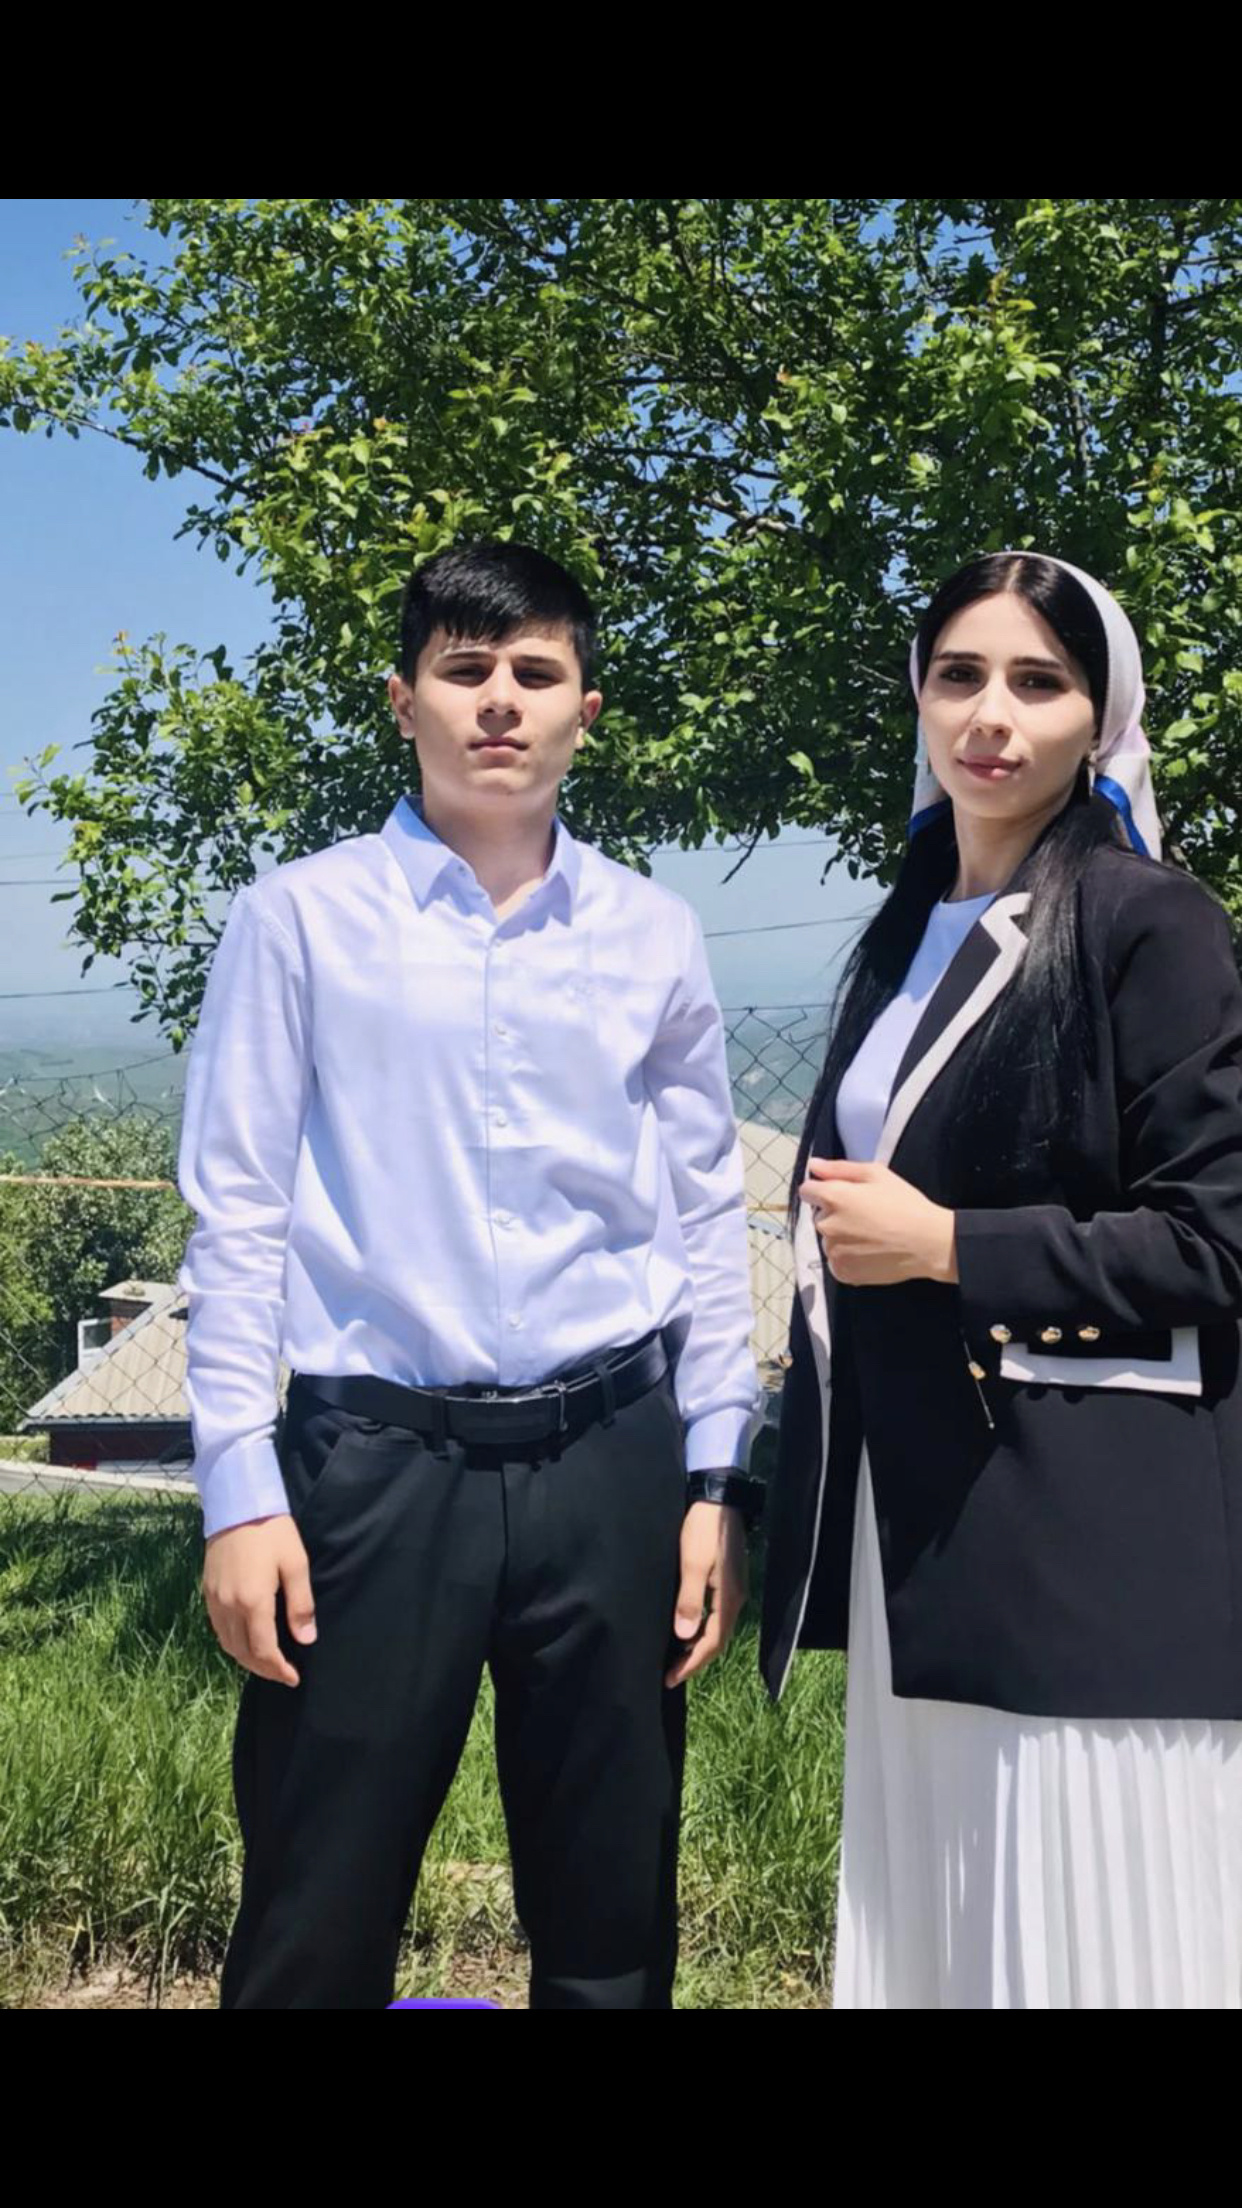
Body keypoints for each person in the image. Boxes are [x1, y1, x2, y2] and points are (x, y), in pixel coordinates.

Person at [179, 538, 764, 2009]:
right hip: (373, 1467)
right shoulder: (298, 918)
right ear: (404, 702)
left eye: (535, 672)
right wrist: (239, 1488)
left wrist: (715, 1477)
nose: (500, 699)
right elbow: (238, 1210)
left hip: (611, 1459)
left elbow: (706, 1212)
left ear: (584, 710)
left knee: (612, 1921)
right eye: (464, 669)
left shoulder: (653, 933)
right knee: (314, 1913)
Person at [761, 550, 1242, 2009]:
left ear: (1101, 719)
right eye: (959, 675)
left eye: (1039, 682)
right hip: (916, 1519)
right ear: (917, 697)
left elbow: (1215, 1241)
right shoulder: (903, 933)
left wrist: (953, 1245)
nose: (991, 715)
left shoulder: (1149, 919)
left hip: (1085, 1535)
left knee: (1087, 1935)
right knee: (948, 1930)